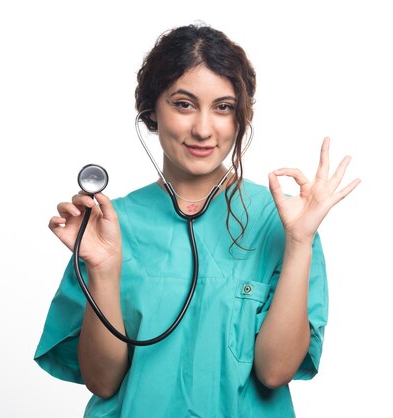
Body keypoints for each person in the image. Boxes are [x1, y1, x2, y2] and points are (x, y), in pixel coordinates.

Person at [34, 23, 360, 418]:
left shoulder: (285, 221)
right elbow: (102, 382)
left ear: (241, 117)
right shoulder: (108, 226)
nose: (204, 129)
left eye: (222, 107)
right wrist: (103, 268)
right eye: (184, 104)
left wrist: (299, 242)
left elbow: (275, 372)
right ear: (152, 111)